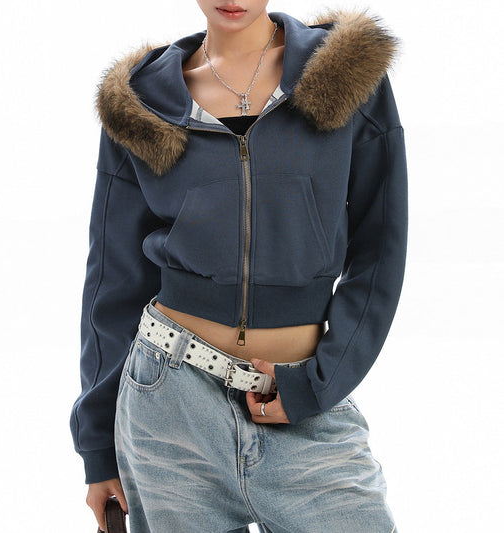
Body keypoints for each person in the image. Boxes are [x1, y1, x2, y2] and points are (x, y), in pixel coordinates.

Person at [69, 1, 408, 532]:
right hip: (169, 412)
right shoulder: (143, 100)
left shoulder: (344, 74)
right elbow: (112, 279)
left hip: (301, 400)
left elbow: (381, 248)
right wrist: (97, 448)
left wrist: (318, 382)